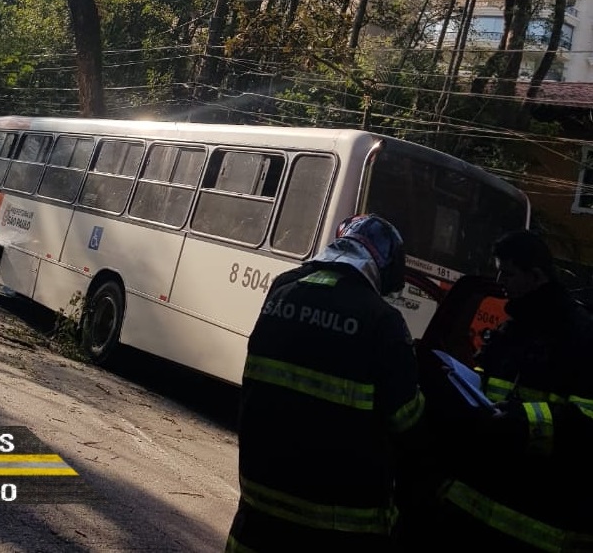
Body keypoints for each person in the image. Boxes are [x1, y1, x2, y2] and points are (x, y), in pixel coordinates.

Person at [226, 214, 427, 552]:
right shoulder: (382, 320)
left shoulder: (282, 289)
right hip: (338, 520)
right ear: (386, 267)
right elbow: (408, 423)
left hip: (260, 497)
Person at [428, 230, 593, 551]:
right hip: (479, 499)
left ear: (536, 276)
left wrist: (520, 421)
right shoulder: (512, 328)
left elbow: (587, 422)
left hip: (538, 512)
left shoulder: (581, 338)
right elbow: (487, 381)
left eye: (508, 273)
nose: (500, 280)